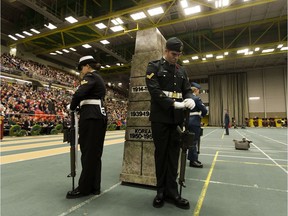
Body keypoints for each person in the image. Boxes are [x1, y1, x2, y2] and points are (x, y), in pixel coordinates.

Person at [146, 37, 195, 209]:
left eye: (179, 54)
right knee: (161, 155)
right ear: (165, 51)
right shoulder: (154, 66)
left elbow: (187, 89)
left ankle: (172, 192)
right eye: (174, 54)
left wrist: (190, 99)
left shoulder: (181, 71)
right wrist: (174, 103)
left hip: (176, 119)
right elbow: (154, 90)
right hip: (160, 118)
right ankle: (160, 191)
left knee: (173, 155)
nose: (176, 57)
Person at [66, 55, 108, 199]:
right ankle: (94, 186)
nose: (81, 72)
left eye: (82, 68)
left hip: (91, 116)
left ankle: (84, 188)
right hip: (97, 115)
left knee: (88, 153)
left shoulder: (91, 76)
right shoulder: (99, 78)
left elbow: (79, 93)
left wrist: (72, 107)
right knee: (95, 154)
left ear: (87, 66)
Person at [187, 82, 208, 168]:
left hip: (187, 121)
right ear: (196, 90)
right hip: (195, 122)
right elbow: (204, 110)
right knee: (194, 141)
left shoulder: (186, 97)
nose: (199, 92)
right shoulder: (196, 99)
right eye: (199, 90)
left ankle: (193, 158)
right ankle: (193, 160)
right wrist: (201, 115)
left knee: (190, 141)